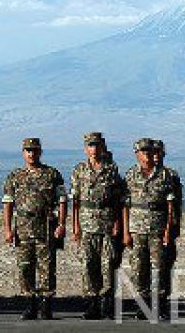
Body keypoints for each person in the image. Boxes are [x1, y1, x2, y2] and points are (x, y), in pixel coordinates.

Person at [2, 138, 67, 320]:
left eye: (34, 150)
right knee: (25, 267)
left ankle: (45, 305)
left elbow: (62, 201)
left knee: (47, 267)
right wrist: (8, 229)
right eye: (28, 150)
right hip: (22, 228)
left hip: (46, 227)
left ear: (40, 152)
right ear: (23, 153)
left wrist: (61, 224)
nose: (31, 154)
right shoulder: (15, 176)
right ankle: (29, 304)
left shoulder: (52, 174)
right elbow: (8, 204)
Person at [70, 132, 123, 319]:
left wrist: (117, 222)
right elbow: (75, 200)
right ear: (85, 149)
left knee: (108, 264)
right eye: (90, 146)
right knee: (88, 263)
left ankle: (107, 302)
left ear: (102, 148)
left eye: (97, 145)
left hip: (107, 221)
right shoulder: (79, 170)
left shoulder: (111, 169)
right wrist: (75, 225)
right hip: (86, 223)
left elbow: (118, 199)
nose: (94, 149)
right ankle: (92, 302)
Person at [122, 138, 175, 321]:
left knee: (159, 268)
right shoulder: (130, 175)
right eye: (143, 151)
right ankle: (142, 305)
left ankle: (159, 304)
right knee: (138, 269)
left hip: (158, 230)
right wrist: (125, 232)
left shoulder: (165, 176)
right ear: (137, 154)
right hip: (136, 230)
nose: (146, 155)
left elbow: (170, 207)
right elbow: (125, 205)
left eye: (149, 151)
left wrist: (169, 230)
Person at [151, 139, 182, 307]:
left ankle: (161, 300)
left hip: (166, 227)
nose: (155, 156)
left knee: (164, 265)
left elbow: (176, 205)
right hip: (146, 228)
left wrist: (174, 228)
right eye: (152, 152)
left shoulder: (170, 176)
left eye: (158, 152)